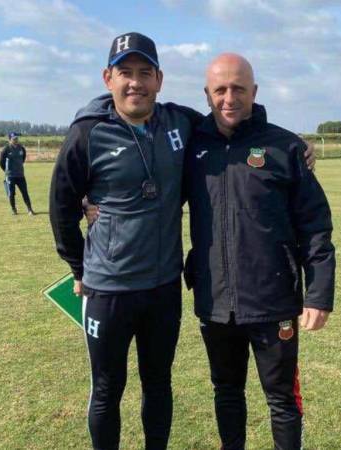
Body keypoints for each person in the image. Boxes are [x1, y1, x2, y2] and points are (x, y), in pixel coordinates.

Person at [52, 33, 316, 450]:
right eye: (125, 73)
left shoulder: (182, 123)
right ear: (108, 78)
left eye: (144, 73)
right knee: (107, 390)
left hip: (162, 288)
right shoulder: (87, 133)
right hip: (106, 289)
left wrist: (293, 144)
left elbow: (230, 119)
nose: (135, 83)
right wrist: (78, 268)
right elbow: (61, 206)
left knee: (158, 384)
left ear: (159, 79)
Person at [183, 53, 336, 450]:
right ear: (207, 94)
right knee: (226, 391)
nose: (229, 97)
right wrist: (93, 202)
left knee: (282, 399)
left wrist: (319, 295)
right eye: (220, 89)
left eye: (238, 87)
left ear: (254, 91)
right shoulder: (191, 145)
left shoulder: (285, 147)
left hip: (275, 300)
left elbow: (316, 226)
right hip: (214, 300)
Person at [0, 132, 34, 215]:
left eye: (16, 138)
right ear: (9, 140)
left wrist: (19, 166)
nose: (16, 140)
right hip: (10, 176)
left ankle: (30, 209)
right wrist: (6, 171)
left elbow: (23, 158)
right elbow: (1, 162)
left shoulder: (21, 148)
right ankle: (14, 210)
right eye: (14, 139)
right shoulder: (6, 149)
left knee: (25, 192)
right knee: (11, 194)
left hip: (20, 175)